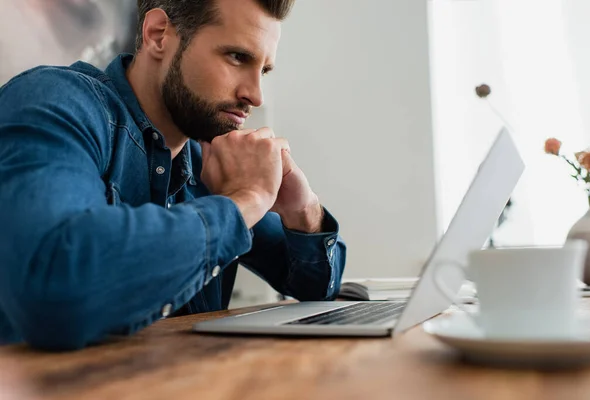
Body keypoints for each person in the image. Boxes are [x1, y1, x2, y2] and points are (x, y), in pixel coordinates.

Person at [0, 0, 346, 351]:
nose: (254, 95)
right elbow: (53, 290)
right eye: (237, 57)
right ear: (158, 35)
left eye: (264, 69)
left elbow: (315, 287)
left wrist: (304, 212)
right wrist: (245, 202)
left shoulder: (211, 161)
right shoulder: (55, 103)